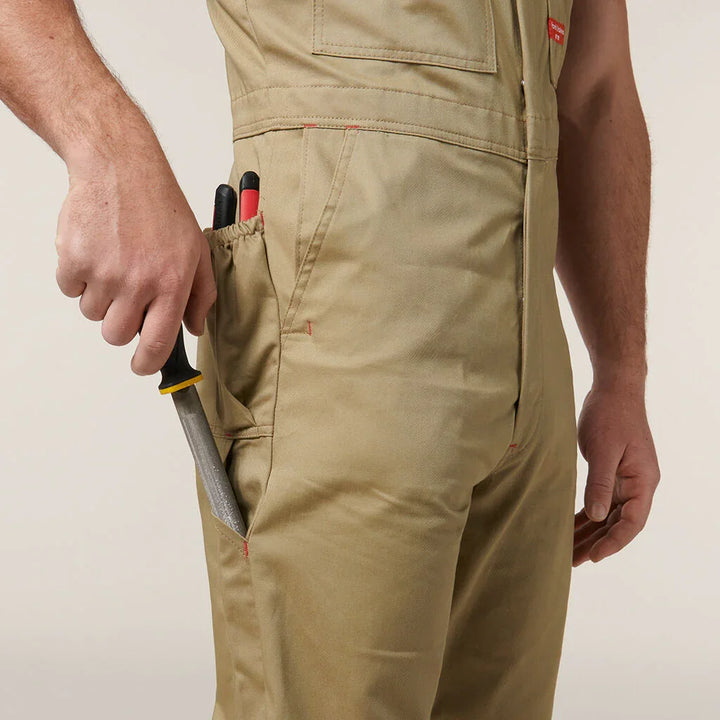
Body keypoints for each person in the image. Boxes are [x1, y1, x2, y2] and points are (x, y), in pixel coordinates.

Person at [0, 1, 661, 718]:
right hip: (339, 333)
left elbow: (594, 93)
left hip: (532, 388)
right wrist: (110, 152)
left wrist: (622, 371)